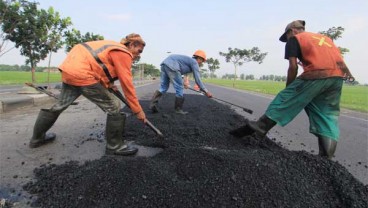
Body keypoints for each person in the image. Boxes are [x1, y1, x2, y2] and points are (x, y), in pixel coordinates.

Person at [230, 20, 354, 159]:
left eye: (287, 36)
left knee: (283, 100)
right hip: (337, 78)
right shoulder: (326, 39)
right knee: (326, 115)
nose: (287, 39)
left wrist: (288, 90)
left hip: (316, 74)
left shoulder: (295, 39)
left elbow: (293, 67)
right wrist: (348, 80)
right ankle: (326, 158)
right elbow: (340, 62)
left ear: (292, 31)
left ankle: (258, 129)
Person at [29, 33, 147, 156]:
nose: (138, 54)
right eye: (139, 51)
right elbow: (127, 84)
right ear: (132, 44)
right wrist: (138, 110)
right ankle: (115, 146)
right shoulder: (123, 52)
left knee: (60, 105)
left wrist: (108, 84)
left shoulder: (111, 46)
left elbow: (99, 66)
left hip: (70, 70)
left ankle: (37, 138)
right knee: (114, 106)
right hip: (83, 73)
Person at [149, 50, 213, 114]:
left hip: (164, 64)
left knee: (163, 87)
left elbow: (184, 74)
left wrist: (185, 83)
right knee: (179, 88)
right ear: (199, 58)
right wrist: (206, 91)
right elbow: (197, 79)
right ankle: (178, 109)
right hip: (173, 65)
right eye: (202, 61)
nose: (201, 63)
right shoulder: (194, 62)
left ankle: (153, 104)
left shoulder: (188, 61)